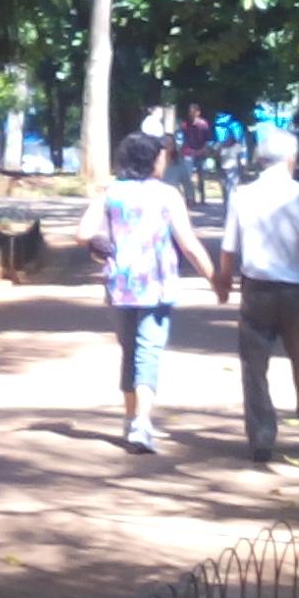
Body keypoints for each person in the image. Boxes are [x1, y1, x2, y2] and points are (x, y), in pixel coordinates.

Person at [81, 130, 220, 453]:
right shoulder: (168, 195)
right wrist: (216, 279)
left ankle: (131, 420)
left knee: (131, 352)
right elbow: (188, 244)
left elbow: (83, 232)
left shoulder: (111, 193)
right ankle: (142, 423)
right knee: (148, 352)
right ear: (152, 159)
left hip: (119, 286)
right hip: (156, 286)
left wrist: (105, 244)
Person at [213, 125, 299, 461]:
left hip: (257, 289)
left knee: (254, 365)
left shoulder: (242, 195)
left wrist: (223, 280)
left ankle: (263, 436)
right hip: (297, 291)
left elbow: (228, 247)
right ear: (291, 159)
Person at [177, 102, 219, 207]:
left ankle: (203, 198)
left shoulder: (203, 124)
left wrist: (203, 150)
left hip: (201, 152)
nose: (191, 114)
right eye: (190, 112)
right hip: (189, 152)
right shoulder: (185, 125)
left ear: (198, 113)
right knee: (188, 176)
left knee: (201, 176)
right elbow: (182, 139)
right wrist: (185, 150)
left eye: (193, 112)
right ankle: (190, 198)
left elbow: (208, 139)